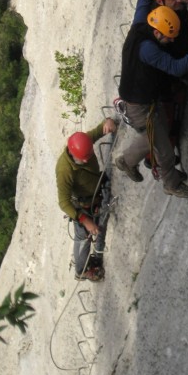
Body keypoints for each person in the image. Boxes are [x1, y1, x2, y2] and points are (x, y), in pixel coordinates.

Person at [115, 5, 188, 198]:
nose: (171, 40)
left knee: (155, 136)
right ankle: (171, 184)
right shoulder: (148, 50)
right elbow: (176, 68)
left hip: (144, 101)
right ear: (156, 32)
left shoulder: (139, 25)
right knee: (164, 149)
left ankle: (127, 161)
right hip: (140, 107)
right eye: (168, 36)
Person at [132, 0, 188, 174]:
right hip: (161, 85)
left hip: (149, 79)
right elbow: (184, 56)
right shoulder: (165, 32)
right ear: (160, 1)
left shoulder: (152, 12)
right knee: (168, 123)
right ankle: (154, 161)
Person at [55, 118, 117, 281]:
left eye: (88, 157)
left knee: (97, 226)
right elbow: (63, 202)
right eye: (82, 159)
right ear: (72, 152)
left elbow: (101, 128)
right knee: (83, 238)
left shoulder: (85, 142)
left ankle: (95, 252)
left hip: (95, 193)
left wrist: (108, 122)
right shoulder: (64, 170)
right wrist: (84, 220)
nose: (85, 161)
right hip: (81, 206)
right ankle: (81, 271)